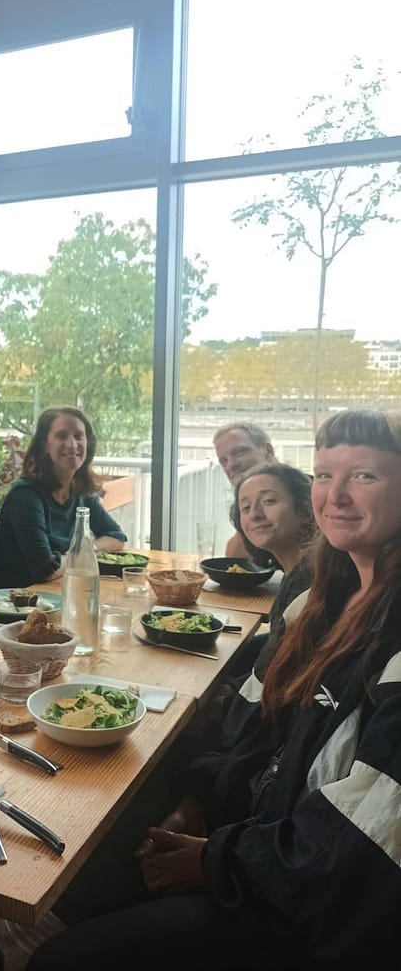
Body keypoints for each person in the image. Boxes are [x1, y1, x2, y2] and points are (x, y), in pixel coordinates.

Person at [27, 408, 401, 969]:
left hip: (309, 915)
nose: (337, 495)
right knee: (84, 869)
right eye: (326, 474)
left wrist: (213, 862)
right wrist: (195, 801)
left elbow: (359, 845)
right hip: (251, 843)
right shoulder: (315, 602)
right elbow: (248, 728)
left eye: (364, 475)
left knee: (57, 960)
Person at [0, 406, 126, 589]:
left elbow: (116, 536)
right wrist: (82, 556)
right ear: (45, 446)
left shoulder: (80, 492)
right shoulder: (26, 495)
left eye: (78, 436)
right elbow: (45, 569)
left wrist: (88, 550)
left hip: (49, 593)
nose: (72, 444)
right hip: (7, 599)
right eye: (62, 436)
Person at [231, 461, 314, 677]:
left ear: (306, 509)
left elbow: (287, 674)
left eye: (269, 501)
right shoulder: (294, 572)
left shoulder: (310, 582)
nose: (254, 514)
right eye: (245, 507)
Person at [213, 421, 276, 559]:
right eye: (224, 461)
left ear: (268, 451)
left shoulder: (303, 492)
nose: (231, 465)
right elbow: (235, 557)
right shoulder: (247, 500)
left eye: (239, 452)